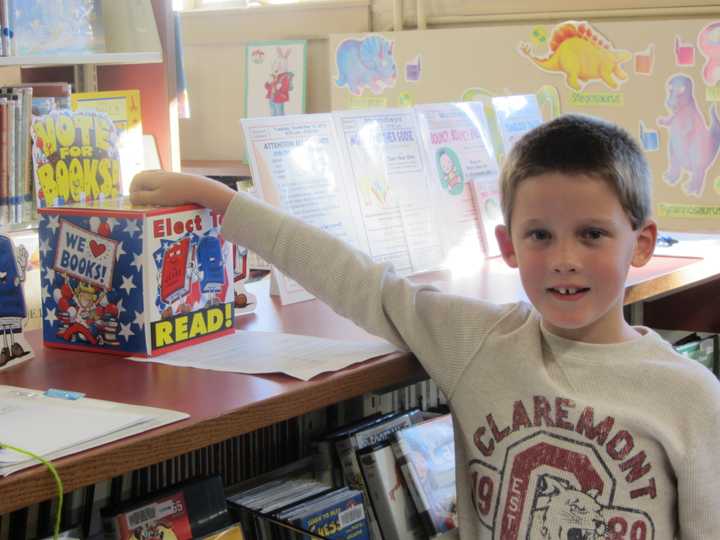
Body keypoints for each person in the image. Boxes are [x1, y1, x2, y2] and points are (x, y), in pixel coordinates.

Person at [130, 114, 720, 538]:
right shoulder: (478, 342)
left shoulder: (689, 397)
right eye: (540, 234)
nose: (564, 257)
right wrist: (222, 203)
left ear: (640, 243)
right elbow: (357, 280)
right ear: (507, 246)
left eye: (592, 234)